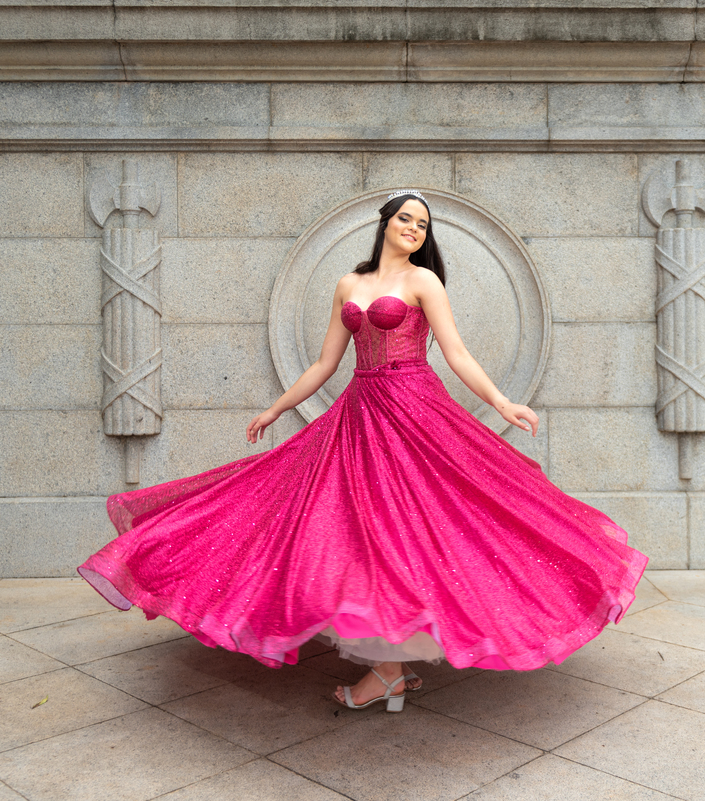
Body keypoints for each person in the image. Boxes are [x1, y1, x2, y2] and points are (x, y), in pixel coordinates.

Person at [79, 189, 648, 713]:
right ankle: (392, 667)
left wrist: (502, 404)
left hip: (415, 410)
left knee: (416, 528)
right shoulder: (349, 284)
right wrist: (276, 408)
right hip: (361, 411)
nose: (415, 230)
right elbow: (327, 363)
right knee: (354, 528)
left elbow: (457, 354)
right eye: (406, 218)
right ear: (385, 223)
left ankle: (390, 669)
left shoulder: (425, 283)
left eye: (423, 225)